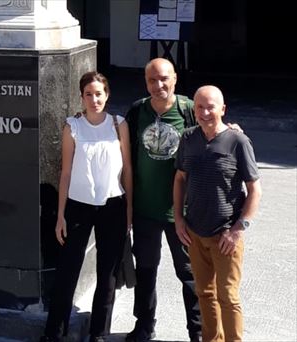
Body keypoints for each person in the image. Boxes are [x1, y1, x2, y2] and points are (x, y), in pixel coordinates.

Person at [40, 71, 132, 342]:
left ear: (107, 95)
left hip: (113, 206)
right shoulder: (73, 127)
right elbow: (65, 172)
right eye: (88, 95)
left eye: (99, 94)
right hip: (78, 206)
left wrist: (128, 211)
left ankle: (98, 333)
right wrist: (60, 215)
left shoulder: (118, 125)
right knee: (68, 270)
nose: (94, 100)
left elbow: (127, 169)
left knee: (107, 274)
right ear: (81, 97)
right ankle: (54, 332)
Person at [173, 85, 261, 342]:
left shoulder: (238, 141)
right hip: (195, 233)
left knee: (228, 297)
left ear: (222, 109)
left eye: (210, 106)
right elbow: (179, 178)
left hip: (225, 235)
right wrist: (179, 219)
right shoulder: (188, 138)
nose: (204, 112)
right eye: (199, 107)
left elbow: (255, 189)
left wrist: (237, 230)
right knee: (205, 294)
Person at [124, 57, 201, 342]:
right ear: (146, 83)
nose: (159, 85)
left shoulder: (189, 110)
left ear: (175, 79)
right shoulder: (137, 111)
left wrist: (234, 132)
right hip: (146, 208)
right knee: (146, 270)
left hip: (181, 211)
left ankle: (198, 331)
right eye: (153, 80)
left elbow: (215, 129)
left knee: (190, 274)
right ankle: (144, 324)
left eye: (164, 78)